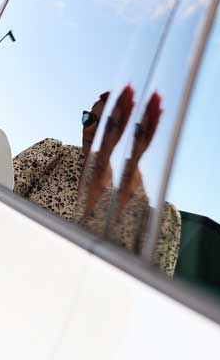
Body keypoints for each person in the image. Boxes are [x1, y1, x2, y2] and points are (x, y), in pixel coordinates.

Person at [12, 87, 181, 276]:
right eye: (89, 119)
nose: (91, 129)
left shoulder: (159, 221)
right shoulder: (52, 155)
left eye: (108, 125)